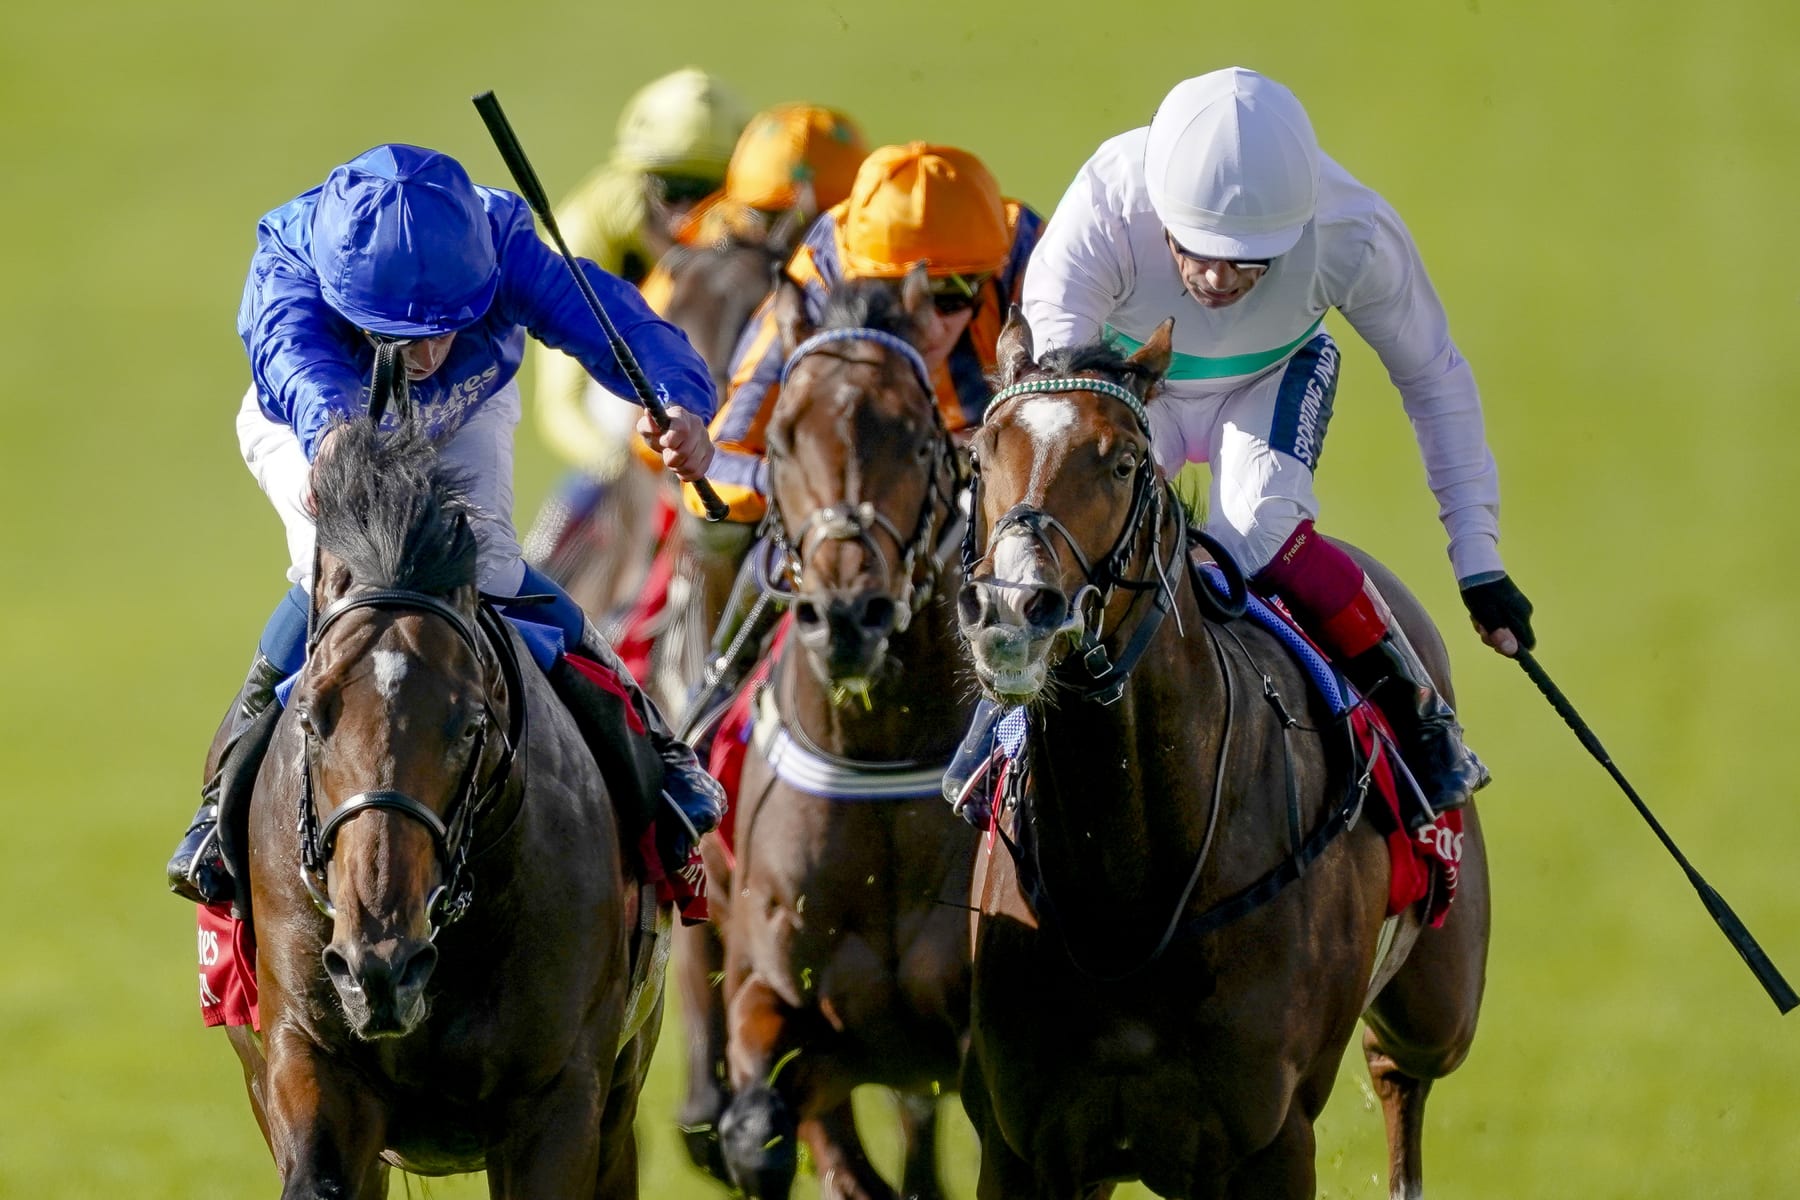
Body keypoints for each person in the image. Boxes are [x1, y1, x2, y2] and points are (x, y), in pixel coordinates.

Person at [167, 143, 724, 905]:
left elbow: (612, 321)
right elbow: (294, 358)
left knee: (490, 564)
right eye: (404, 334)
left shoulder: (499, 246)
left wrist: (680, 399)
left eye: (448, 325)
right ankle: (222, 798)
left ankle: (653, 746)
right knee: (336, 570)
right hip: (314, 424)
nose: (429, 351)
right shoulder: (289, 271)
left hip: (465, 410)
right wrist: (334, 437)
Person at [1010, 67, 1535, 816]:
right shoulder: (1104, 205)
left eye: (1249, 257)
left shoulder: (1353, 230)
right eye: (1198, 249)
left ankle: (1418, 715)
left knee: (1257, 528)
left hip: (1272, 376)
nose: (1220, 278)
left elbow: (1434, 377)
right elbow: (1057, 407)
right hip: (1125, 387)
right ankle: (995, 735)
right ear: (1160, 209)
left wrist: (1478, 558)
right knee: (1093, 532)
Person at [687, 142, 1044, 703]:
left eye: (953, 296)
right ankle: (712, 696)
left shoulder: (1034, 263)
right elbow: (713, 466)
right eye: (892, 297)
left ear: (993, 275)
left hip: (992, 467)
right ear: (855, 276)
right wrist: (793, 485)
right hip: (860, 484)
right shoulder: (817, 277)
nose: (926, 324)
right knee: (719, 521)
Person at [528, 69, 749, 541]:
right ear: (640, 182)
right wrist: (618, 464)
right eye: (673, 190)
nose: (690, 213)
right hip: (625, 418)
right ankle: (540, 559)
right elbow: (560, 404)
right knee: (542, 549)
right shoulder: (586, 225)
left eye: (710, 193)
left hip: (726, 407)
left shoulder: (752, 237)